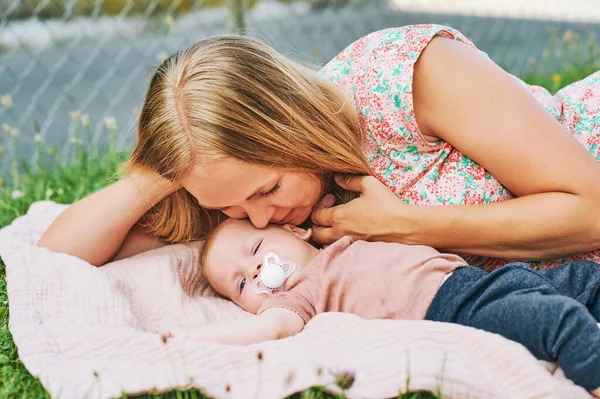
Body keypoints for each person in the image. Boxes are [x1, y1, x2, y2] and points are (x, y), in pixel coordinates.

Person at [38, 24, 600, 270]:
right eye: (229, 209)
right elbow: (56, 258)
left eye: (267, 189)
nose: (257, 221)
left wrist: (408, 226)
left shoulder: (410, 77)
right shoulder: (235, 192)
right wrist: (169, 159)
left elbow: (591, 211)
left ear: (294, 126)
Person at [161, 218, 600, 396]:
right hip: (453, 310)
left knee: (585, 280)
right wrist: (191, 337)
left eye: (256, 247)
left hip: (480, 280)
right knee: (555, 321)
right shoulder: (301, 297)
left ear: (296, 229)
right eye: (241, 283)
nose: (256, 270)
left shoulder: (345, 238)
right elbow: (268, 330)